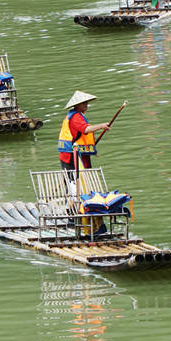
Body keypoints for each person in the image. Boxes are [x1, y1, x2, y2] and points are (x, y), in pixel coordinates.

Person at [58, 90, 115, 236]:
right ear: (77, 105)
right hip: (72, 157)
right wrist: (101, 125)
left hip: (76, 155)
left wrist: (91, 149)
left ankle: (72, 213)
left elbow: (83, 136)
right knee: (75, 186)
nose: (87, 105)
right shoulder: (76, 117)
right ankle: (73, 214)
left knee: (73, 185)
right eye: (84, 103)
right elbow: (86, 129)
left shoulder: (78, 115)